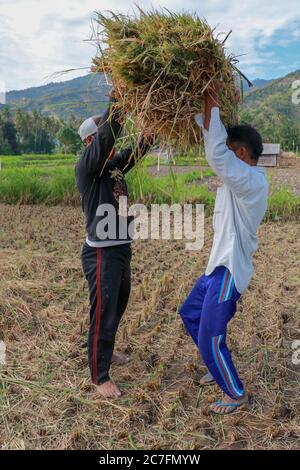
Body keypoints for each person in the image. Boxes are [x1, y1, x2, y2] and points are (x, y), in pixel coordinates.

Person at [179, 82, 269, 414]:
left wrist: (212, 101)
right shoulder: (241, 178)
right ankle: (214, 362)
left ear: (241, 154)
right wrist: (200, 112)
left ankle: (235, 393)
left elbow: (216, 154)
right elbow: (214, 142)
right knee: (189, 314)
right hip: (216, 268)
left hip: (229, 272)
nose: (226, 155)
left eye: (230, 149)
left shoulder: (251, 181)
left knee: (211, 337)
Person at [76, 95, 153, 398]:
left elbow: (138, 149)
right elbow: (111, 131)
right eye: (102, 134)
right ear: (90, 142)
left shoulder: (114, 166)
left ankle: (107, 352)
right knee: (104, 311)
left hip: (121, 247)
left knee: (118, 306)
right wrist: (121, 98)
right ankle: (99, 374)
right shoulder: (88, 167)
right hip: (101, 252)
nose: (109, 137)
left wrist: (154, 126)